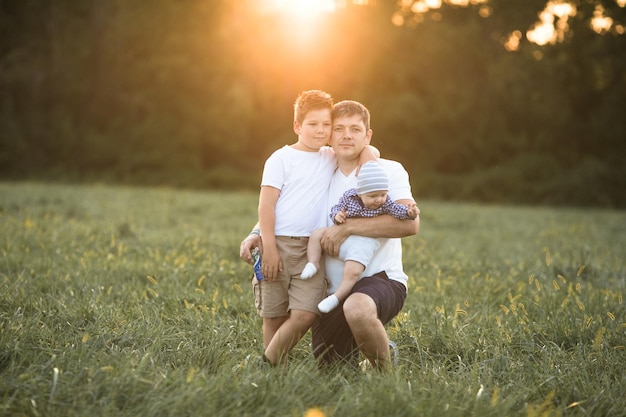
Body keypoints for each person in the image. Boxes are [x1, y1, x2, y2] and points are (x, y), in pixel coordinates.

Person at [241, 99, 419, 370]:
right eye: (339, 129)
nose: (347, 135)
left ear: (368, 135)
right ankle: (369, 346)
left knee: (357, 308)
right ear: (330, 137)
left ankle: (385, 377)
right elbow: (292, 205)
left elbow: (410, 225)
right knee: (332, 370)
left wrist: (346, 228)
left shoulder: (387, 170)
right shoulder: (324, 168)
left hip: (379, 279)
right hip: (329, 291)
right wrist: (257, 232)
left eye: (356, 130)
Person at [250, 90, 378, 366]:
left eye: (325, 125)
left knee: (306, 313)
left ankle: (266, 361)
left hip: (312, 250)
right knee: (274, 314)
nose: (320, 131)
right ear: (297, 126)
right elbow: (267, 207)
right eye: (312, 124)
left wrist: (367, 163)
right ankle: (275, 373)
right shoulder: (280, 159)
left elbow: (368, 147)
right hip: (279, 244)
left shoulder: (330, 156)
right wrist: (266, 244)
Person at [301, 160, 418, 314]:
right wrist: (338, 216)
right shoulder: (350, 197)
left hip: (363, 241)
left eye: (383, 194)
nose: (379, 200)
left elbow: (397, 211)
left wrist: (409, 213)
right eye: (373, 196)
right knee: (316, 235)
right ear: (360, 193)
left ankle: (336, 297)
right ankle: (313, 263)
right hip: (338, 238)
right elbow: (337, 208)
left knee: (353, 270)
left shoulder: (386, 203)